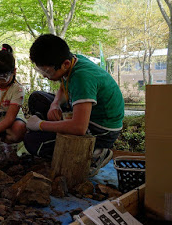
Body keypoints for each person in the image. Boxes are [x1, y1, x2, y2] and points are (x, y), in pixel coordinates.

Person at [25, 34, 124, 176]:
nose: (45, 76)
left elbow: (79, 127)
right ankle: (51, 131)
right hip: (85, 115)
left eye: (47, 72)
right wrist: (55, 104)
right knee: (37, 98)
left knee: (32, 142)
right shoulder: (73, 60)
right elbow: (64, 84)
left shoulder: (82, 78)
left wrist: (40, 125)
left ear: (65, 64)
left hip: (102, 130)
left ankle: (96, 153)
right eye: (41, 71)